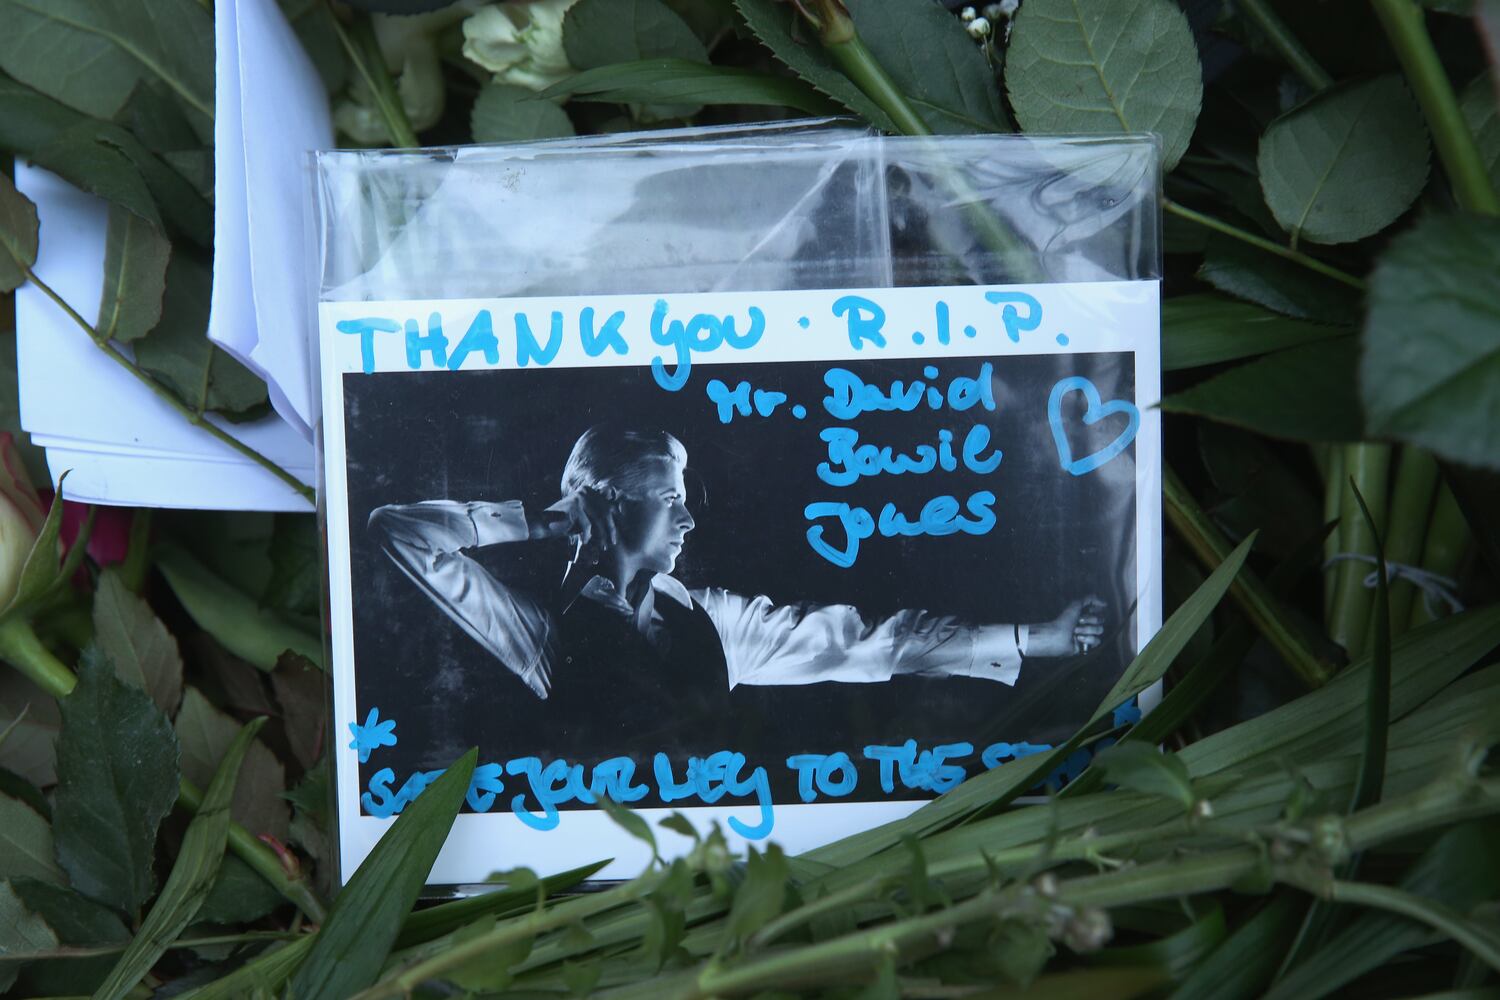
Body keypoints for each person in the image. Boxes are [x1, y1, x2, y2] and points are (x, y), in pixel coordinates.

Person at [368, 426, 1107, 720]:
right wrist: (543, 520)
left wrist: (1033, 637)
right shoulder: (535, 631)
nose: (688, 521)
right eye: (669, 501)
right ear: (606, 502)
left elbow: (865, 642)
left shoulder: (714, 618)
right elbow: (400, 533)